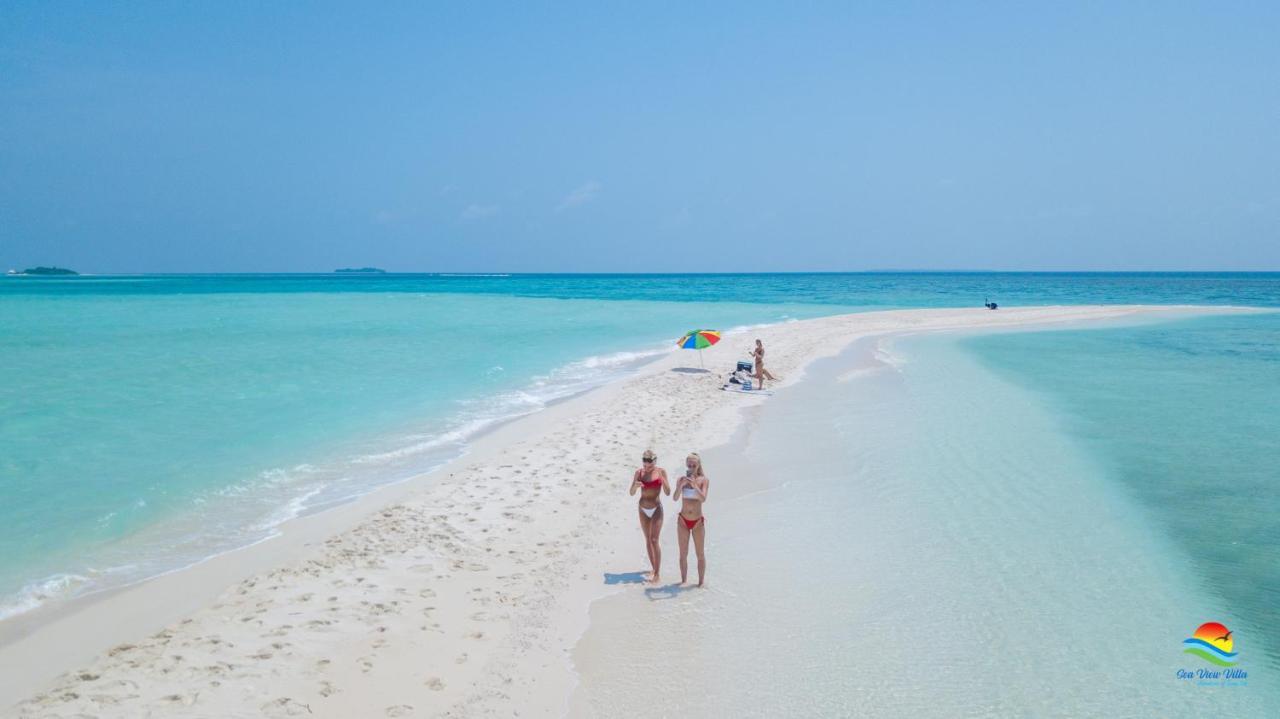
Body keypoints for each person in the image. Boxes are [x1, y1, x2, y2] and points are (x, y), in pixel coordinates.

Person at [629, 449, 669, 583]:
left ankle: (657, 574)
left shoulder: (661, 472)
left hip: (657, 508)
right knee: (647, 539)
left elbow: (668, 492)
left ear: (655, 461)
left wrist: (663, 480)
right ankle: (653, 568)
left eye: (650, 463)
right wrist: (635, 486)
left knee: (654, 540)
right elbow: (631, 492)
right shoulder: (639, 473)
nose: (647, 466)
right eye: (645, 463)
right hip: (643, 509)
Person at [672, 452, 710, 587]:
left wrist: (695, 486)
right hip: (683, 520)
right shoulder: (681, 479)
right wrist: (681, 486)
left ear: (698, 465)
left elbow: (703, 499)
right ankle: (683, 582)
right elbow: (675, 497)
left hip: (697, 521)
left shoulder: (703, 480)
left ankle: (700, 584)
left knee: (700, 553)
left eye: (694, 465)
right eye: (689, 465)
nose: (692, 467)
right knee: (683, 553)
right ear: (686, 465)